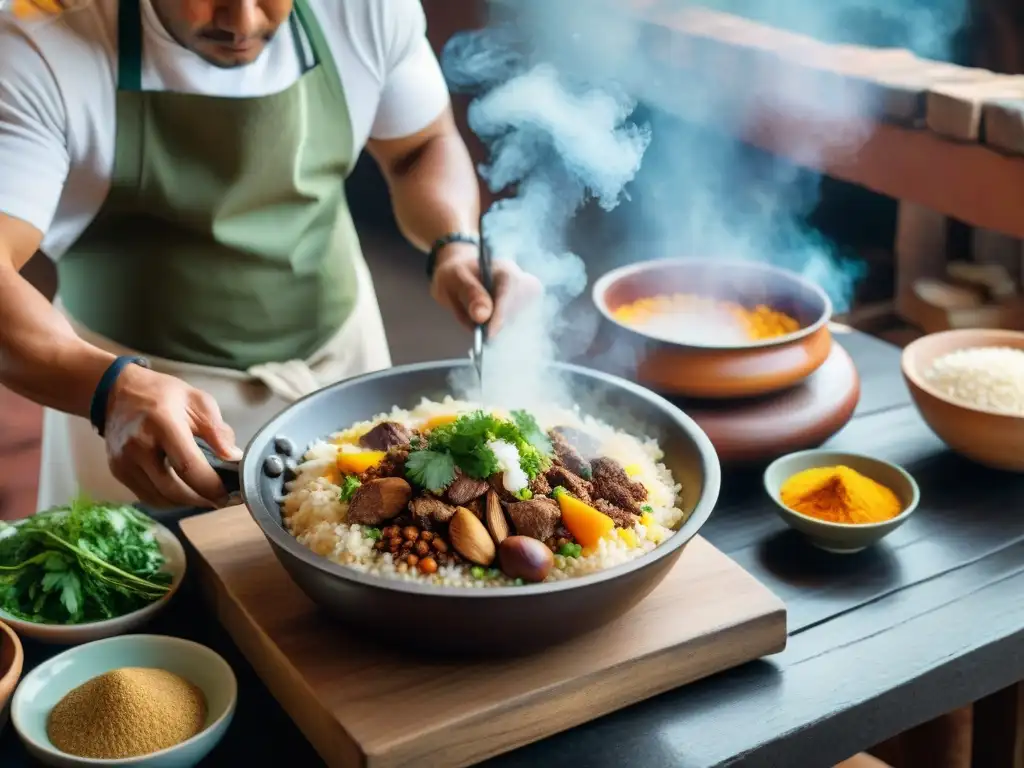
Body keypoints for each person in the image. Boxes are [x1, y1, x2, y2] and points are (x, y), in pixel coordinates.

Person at [0, 0, 540, 512]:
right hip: (143, 407)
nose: (241, 20)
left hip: (341, 375)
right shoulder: (39, 42)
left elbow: (419, 147)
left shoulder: (361, 10)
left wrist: (454, 244)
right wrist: (107, 389)